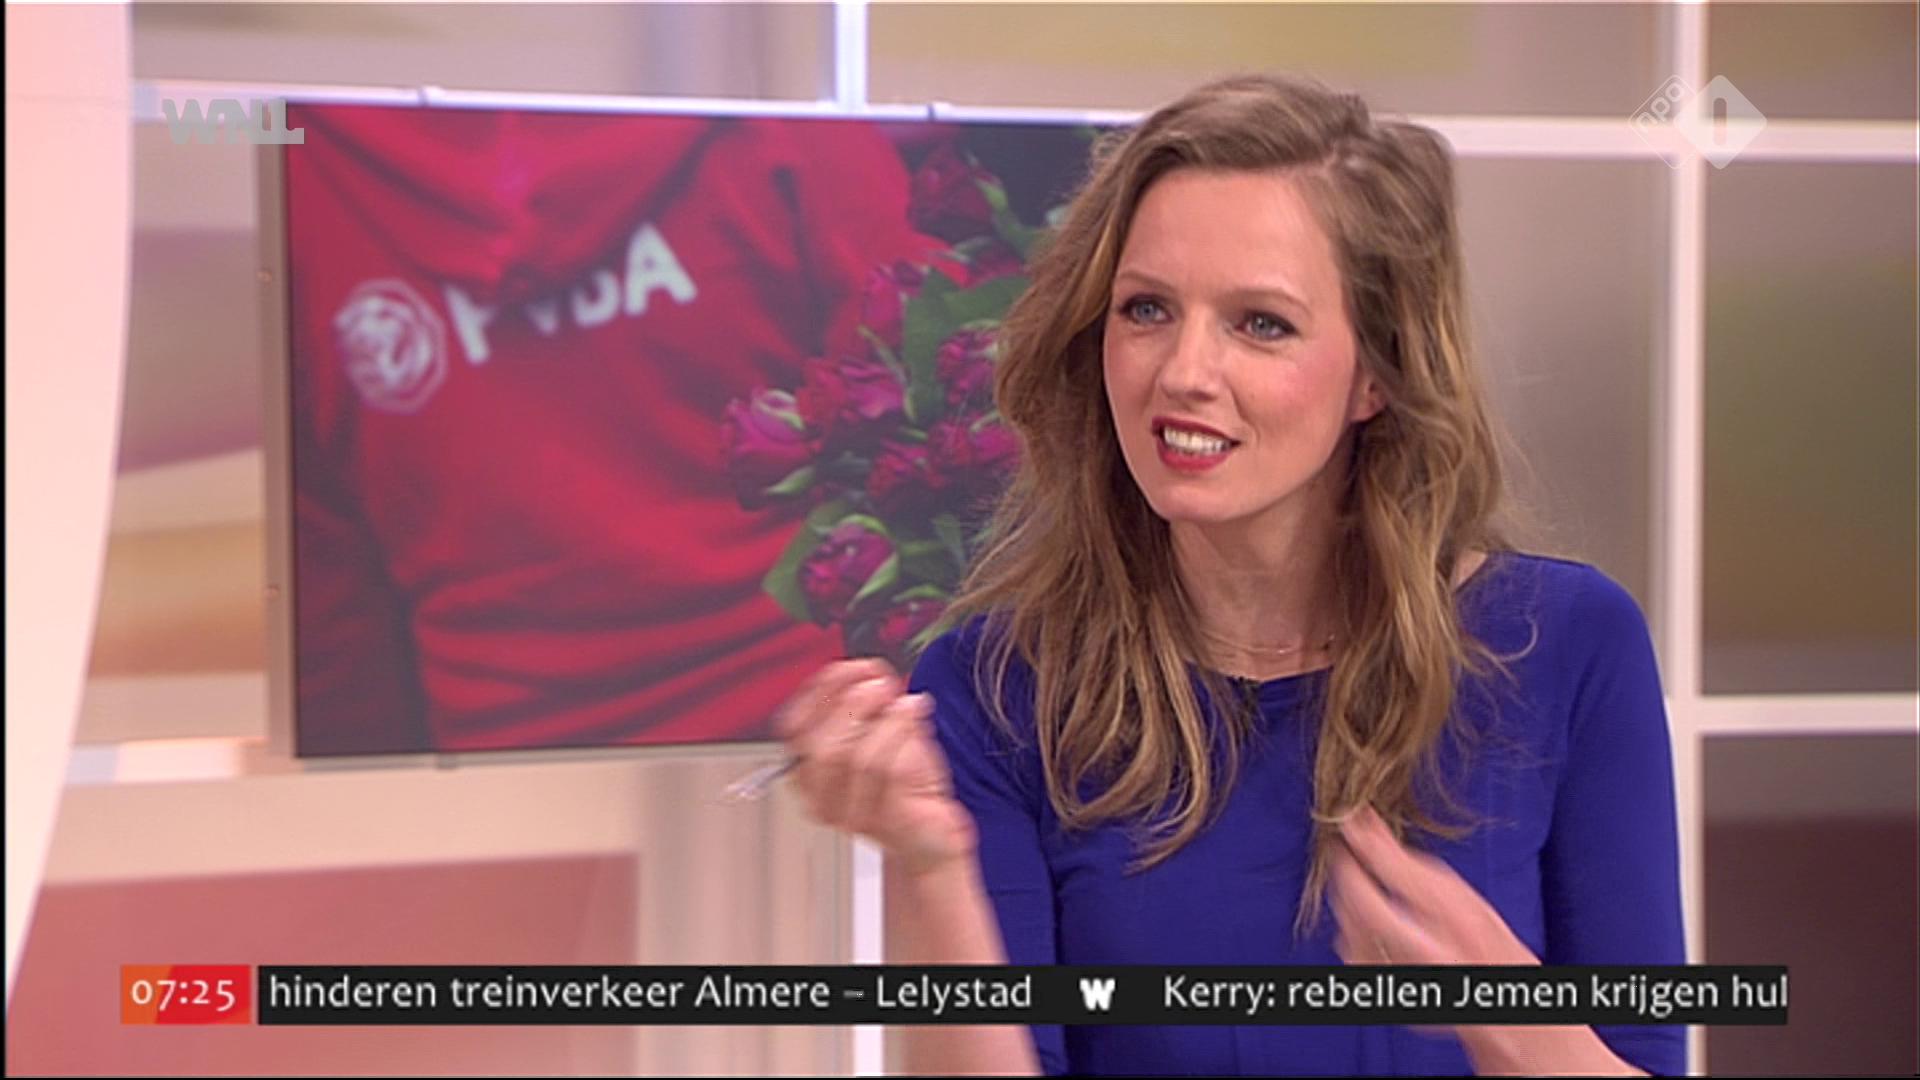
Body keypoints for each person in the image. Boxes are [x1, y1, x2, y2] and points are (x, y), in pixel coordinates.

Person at [773, 73, 1685, 1077]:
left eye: (1260, 323)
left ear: (1374, 375)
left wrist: (1500, 1009)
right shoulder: (995, 692)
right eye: (1147, 309)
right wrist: (929, 866)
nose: (1183, 373)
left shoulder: (1568, 647)